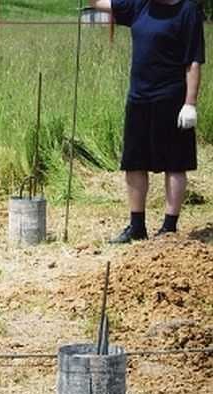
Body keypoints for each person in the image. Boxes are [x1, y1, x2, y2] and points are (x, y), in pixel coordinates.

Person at [89, 0, 205, 243]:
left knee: (175, 163)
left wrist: (190, 103)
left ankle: (169, 228)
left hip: (172, 98)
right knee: (134, 162)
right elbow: (97, 3)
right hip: (139, 97)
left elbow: (193, 61)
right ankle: (137, 226)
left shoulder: (187, 11)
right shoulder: (139, 5)